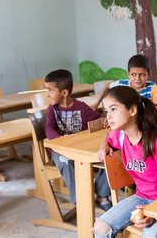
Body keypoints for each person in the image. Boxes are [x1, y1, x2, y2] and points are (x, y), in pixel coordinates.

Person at [94, 86, 157, 238]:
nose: (108, 116)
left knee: (151, 235)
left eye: (113, 109)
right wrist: (104, 145)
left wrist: (153, 210)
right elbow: (108, 135)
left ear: (132, 110)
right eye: (106, 111)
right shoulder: (122, 136)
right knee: (100, 227)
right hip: (142, 196)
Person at [44, 69, 112, 211]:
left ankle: (102, 195)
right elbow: (49, 128)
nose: (47, 94)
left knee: (109, 155)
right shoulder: (52, 109)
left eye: (50, 90)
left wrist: (106, 120)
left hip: (82, 148)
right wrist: (58, 139)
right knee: (66, 161)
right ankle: (80, 201)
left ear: (64, 92)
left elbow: (95, 117)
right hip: (61, 150)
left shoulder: (81, 107)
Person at [91, 54, 157, 113]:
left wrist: (145, 111)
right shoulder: (122, 85)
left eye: (142, 74)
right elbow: (107, 86)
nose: (137, 78)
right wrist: (96, 104)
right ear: (128, 74)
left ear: (149, 74)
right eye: (133, 74)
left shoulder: (151, 88)